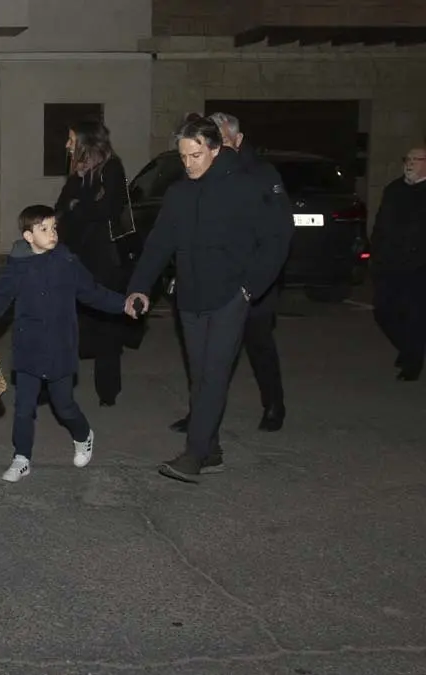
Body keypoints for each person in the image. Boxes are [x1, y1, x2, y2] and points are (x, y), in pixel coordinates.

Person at [125, 116, 291, 483]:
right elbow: (159, 243)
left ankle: (195, 454)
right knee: (200, 377)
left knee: (214, 375)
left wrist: (251, 287)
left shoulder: (246, 186)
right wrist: (139, 287)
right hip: (190, 297)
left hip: (230, 296)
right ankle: (212, 449)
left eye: (196, 155)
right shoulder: (180, 193)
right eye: (183, 157)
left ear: (215, 149)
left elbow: (277, 237)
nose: (188, 164)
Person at [0, 206, 137, 482]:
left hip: (60, 347)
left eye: (54, 227)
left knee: (64, 405)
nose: (52, 233)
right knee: (24, 409)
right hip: (29, 349)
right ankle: (21, 457)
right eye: (44, 229)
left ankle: (83, 435)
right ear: (28, 236)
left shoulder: (67, 262)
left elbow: (92, 292)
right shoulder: (17, 267)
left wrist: (123, 304)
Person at [168, 112, 291, 431]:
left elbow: (278, 231)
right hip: (212, 284)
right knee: (202, 359)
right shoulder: (200, 176)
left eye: (221, 140)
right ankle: (200, 418)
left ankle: (273, 404)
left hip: (252, 281)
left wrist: (255, 284)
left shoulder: (260, 174)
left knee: (259, 343)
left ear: (237, 140)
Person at [55, 119, 140, 407]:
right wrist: (79, 206)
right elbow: (62, 208)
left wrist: (79, 206)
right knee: (69, 322)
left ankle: (108, 391)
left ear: (87, 141)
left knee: (107, 324)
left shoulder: (111, 168)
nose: (67, 145)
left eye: (72, 139)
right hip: (77, 256)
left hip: (105, 260)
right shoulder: (78, 173)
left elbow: (108, 208)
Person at [370, 145, 426, 382]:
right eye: (407, 158)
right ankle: (408, 348)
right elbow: (380, 223)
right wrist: (375, 252)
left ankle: (413, 363)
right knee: (383, 311)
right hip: (389, 262)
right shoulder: (394, 189)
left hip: (418, 266)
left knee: (414, 315)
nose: (410, 163)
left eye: (416, 159)